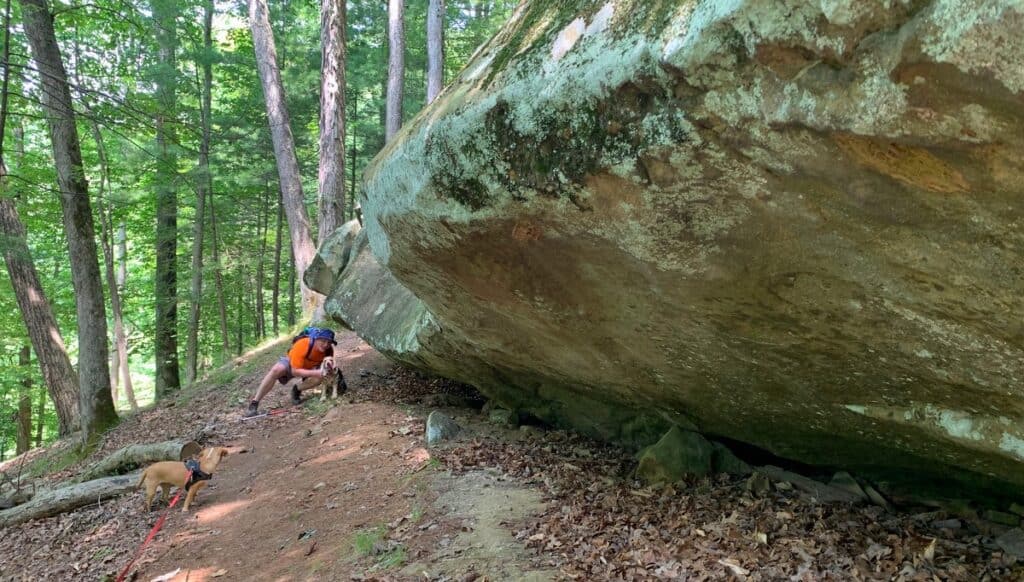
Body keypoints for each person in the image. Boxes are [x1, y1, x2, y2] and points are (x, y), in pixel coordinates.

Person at [244, 327, 338, 417]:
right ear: (317, 339)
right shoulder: (303, 344)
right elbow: (295, 371)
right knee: (277, 369)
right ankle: (254, 403)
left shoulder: (329, 351)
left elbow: (328, 367)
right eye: (323, 341)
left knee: (321, 377)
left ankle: (297, 390)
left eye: (329, 342)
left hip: (311, 366)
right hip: (292, 364)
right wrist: (315, 373)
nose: (326, 345)